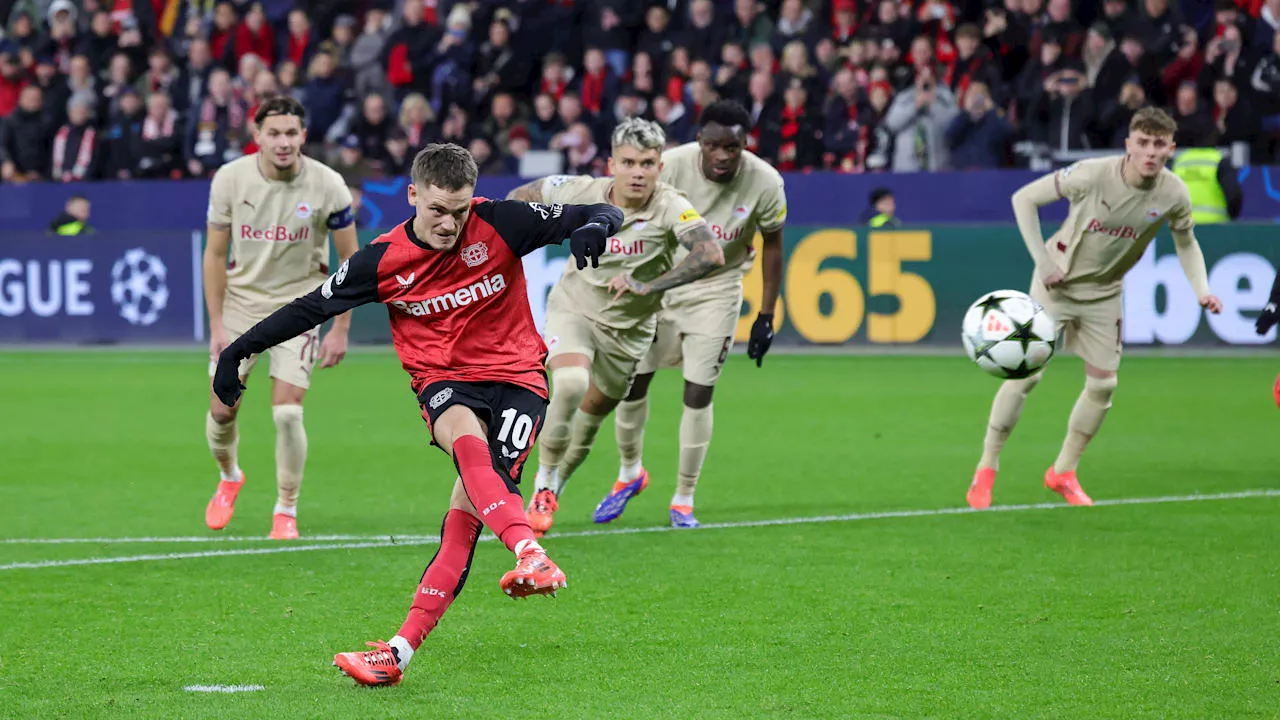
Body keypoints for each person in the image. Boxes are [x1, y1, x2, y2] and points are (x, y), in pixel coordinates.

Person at [211, 143, 624, 687]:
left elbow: (606, 209)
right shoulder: (381, 260)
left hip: (520, 380)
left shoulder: (500, 222)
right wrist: (241, 349)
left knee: (466, 519)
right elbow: (311, 306)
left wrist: (594, 229)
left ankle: (399, 655)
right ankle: (530, 552)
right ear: (413, 196)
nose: (450, 223)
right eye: (437, 210)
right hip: (444, 380)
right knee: (463, 439)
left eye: (459, 211)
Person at [967, 108, 1223, 510]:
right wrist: (1043, 261)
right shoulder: (1091, 174)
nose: (1150, 153)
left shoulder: (1174, 193)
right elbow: (1024, 199)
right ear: (1128, 145)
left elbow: (1187, 243)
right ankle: (987, 466)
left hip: (1105, 293)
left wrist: (1202, 290)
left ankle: (1063, 471)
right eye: (1142, 143)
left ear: (1171, 149)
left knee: (1104, 384)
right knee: (1025, 376)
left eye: (1159, 145)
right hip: (1058, 284)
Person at [504, 118, 723, 538]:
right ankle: (542, 488)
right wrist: (517, 238)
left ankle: (559, 485)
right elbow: (519, 199)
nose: (638, 172)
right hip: (575, 310)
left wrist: (650, 285)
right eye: (628, 162)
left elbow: (710, 252)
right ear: (611, 164)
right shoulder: (579, 190)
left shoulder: (671, 206)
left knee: (590, 419)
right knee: (568, 384)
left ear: (660, 167)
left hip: (630, 332)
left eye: (647, 163)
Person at [590, 100, 787, 528]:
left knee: (698, 392)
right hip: (659, 283)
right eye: (713, 145)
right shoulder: (671, 166)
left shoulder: (766, 182)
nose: (722, 155)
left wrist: (766, 315)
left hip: (718, 289)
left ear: (744, 145)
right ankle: (629, 473)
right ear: (699, 141)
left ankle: (683, 497)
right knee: (631, 382)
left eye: (731, 147)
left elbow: (773, 245)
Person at [202, 96, 359, 540]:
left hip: (301, 308)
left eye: (291, 133)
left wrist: (340, 327)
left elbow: (351, 260)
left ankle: (285, 509)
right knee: (221, 410)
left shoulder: (328, 185)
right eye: (274, 133)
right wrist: (216, 325)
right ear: (257, 137)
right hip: (240, 307)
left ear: (303, 136)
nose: (283, 142)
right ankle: (230, 476)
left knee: (288, 414)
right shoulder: (230, 180)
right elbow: (214, 254)